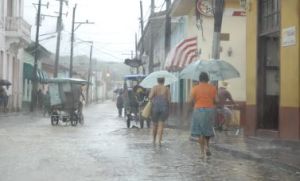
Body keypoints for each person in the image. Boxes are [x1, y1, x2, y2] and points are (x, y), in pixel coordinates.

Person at [188, 72, 217, 158]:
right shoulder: (212, 88)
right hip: (209, 110)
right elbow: (217, 100)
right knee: (207, 130)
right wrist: (212, 101)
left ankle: (202, 153)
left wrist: (193, 105)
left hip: (198, 110)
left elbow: (190, 101)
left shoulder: (195, 88)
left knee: (200, 132)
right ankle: (207, 147)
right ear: (207, 79)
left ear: (199, 79)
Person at [149, 77, 171, 146]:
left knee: (154, 125)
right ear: (164, 81)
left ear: (157, 81)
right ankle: (159, 141)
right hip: (164, 108)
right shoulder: (166, 89)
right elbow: (169, 99)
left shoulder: (154, 87)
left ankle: (153, 140)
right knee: (161, 125)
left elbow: (150, 97)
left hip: (155, 108)